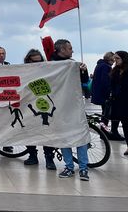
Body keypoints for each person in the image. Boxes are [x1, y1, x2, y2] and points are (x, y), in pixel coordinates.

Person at [52, 39, 90, 181]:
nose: (72, 50)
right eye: (69, 48)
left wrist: (84, 71)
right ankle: (69, 166)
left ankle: (83, 168)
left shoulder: (73, 63)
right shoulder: (51, 65)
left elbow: (84, 81)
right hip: (59, 106)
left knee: (80, 136)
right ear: (61, 50)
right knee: (64, 137)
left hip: (74, 105)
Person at [22, 49, 56, 170]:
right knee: (29, 131)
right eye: (34, 62)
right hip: (29, 105)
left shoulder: (47, 71)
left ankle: (49, 157)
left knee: (47, 132)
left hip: (43, 103)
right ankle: (32, 155)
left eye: (39, 61)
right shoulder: (24, 72)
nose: (37, 64)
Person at [92, 52, 123, 140]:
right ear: (109, 59)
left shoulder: (100, 65)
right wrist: (110, 93)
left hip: (100, 95)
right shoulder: (106, 67)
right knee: (107, 116)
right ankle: (106, 133)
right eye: (113, 59)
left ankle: (104, 132)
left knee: (104, 115)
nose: (114, 62)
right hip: (105, 96)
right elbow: (105, 82)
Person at [109, 51, 128, 156]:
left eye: (117, 58)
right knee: (125, 125)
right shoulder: (115, 70)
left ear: (124, 58)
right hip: (119, 102)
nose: (115, 60)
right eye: (114, 58)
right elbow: (112, 85)